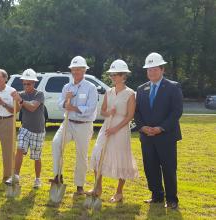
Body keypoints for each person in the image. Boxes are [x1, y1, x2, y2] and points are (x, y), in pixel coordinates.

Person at [134, 52, 183, 209]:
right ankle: (156, 196)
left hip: (166, 136)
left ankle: (172, 199)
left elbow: (176, 112)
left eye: (155, 69)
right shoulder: (141, 89)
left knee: (168, 168)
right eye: (149, 69)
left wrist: (160, 128)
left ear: (162, 70)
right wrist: (142, 127)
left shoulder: (173, 87)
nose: (152, 72)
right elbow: (137, 112)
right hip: (147, 136)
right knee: (150, 167)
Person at [88, 60, 139, 202]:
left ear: (123, 76)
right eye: (111, 75)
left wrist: (115, 129)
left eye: (115, 74)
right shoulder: (108, 92)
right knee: (98, 155)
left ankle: (119, 192)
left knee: (121, 159)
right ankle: (97, 187)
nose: (112, 77)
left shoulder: (130, 94)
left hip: (120, 129)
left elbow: (130, 116)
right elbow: (102, 112)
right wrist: (109, 112)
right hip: (106, 127)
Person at [50, 56, 98, 195]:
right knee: (56, 143)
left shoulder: (91, 87)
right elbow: (60, 105)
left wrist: (74, 108)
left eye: (78, 69)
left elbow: (90, 108)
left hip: (84, 125)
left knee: (81, 155)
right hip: (68, 123)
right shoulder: (67, 87)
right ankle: (58, 176)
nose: (76, 72)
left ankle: (79, 185)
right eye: (73, 69)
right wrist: (66, 102)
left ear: (84, 71)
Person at [7, 68, 45, 188]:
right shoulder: (21, 94)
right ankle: (16, 176)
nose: (26, 86)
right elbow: (16, 110)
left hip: (38, 130)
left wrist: (20, 100)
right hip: (25, 128)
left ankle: (37, 179)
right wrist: (7, 103)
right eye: (24, 83)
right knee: (19, 148)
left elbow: (33, 107)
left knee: (36, 157)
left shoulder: (39, 94)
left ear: (34, 83)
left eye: (28, 83)